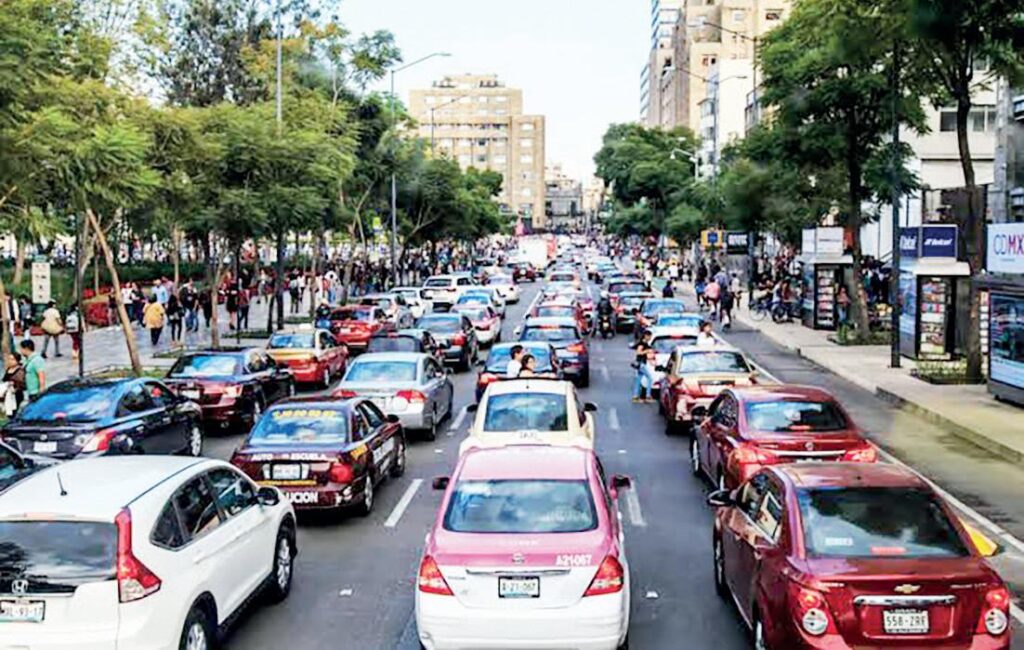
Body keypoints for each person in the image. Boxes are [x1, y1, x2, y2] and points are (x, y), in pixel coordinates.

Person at [631, 331, 655, 403]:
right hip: (641, 364)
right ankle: (647, 396)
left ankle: (635, 396)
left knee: (638, 380)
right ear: (646, 336)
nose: (650, 338)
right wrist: (646, 351)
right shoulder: (642, 343)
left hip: (641, 363)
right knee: (650, 378)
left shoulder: (645, 344)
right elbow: (639, 352)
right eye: (649, 336)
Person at [1, 351, 25, 416]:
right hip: (7, 394)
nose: (10, 361)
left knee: (14, 412)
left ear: (17, 361)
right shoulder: (9, 369)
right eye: (9, 359)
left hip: (16, 395)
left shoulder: (20, 370)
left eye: (12, 359)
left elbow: (22, 384)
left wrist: (14, 385)